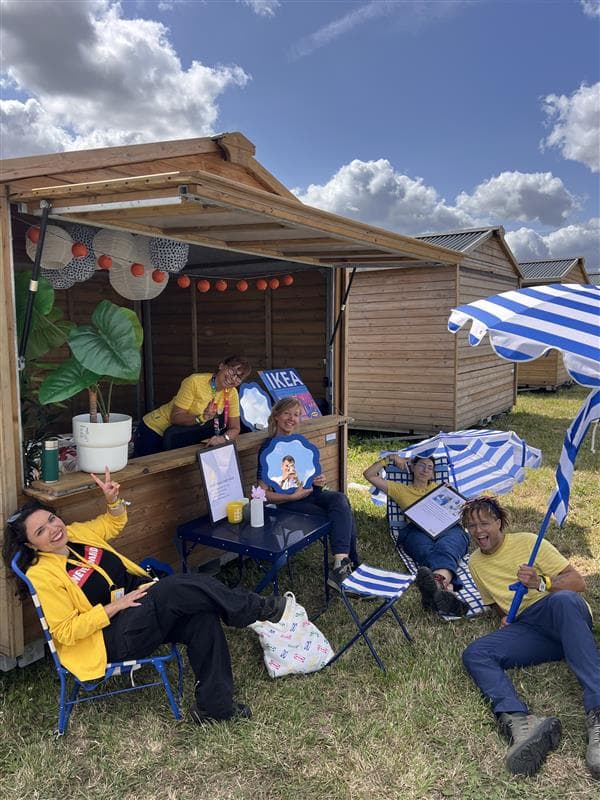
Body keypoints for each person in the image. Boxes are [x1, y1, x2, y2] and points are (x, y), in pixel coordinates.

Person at [2, 468, 292, 724]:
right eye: (41, 530)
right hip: (111, 638)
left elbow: (112, 523)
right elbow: (65, 631)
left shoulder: (76, 534)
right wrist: (114, 607)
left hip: (141, 610)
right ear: (31, 544)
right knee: (170, 588)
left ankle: (215, 707)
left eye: (52, 519)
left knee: (201, 617)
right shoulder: (42, 574)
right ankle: (256, 607)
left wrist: (113, 500)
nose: (54, 529)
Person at [461, 496, 600, 779]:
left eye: (484, 523)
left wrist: (541, 582)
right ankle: (521, 723)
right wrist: (505, 618)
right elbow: (496, 604)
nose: (478, 531)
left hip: (561, 612)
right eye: (471, 526)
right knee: (475, 653)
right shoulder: (474, 562)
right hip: (530, 628)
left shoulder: (528, 542)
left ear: (499, 523)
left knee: (564, 601)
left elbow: (578, 583)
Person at [257, 397, 360, 590]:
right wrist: (290, 497)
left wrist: (316, 481)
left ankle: (341, 564)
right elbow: (262, 494)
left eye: (296, 415)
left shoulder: (298, 444)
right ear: (277, 416)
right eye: (287, 413)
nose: (291, 419)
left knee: (340, 499)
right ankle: (348, 567)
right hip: (289, 503)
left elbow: (303, 477)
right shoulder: (268, 448)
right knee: (340, 516)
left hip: (311, 494)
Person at [363, 454, 470, 617]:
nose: (425, 469)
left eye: (430, 467)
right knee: (425, 550)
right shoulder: (401, 489)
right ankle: (446, 590)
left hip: (448, 528)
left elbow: (464, 511)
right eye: (421, 465)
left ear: (433, 473)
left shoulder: (441, 488)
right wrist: (390, 459)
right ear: (411, 467)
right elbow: (369, 475)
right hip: (417, 529)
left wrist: (452, 496)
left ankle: (436, 587)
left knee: (445, 547)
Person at [133, 355, 251, 457]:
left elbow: (235, 428)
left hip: (180, 434)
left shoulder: (232, 393)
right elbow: (176, 417)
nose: (233, 378)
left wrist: (223, 439)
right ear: (221, 366)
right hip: (154, 429)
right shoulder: (195, 381)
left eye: (239, 378)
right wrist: (201, 417)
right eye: (231, 371)